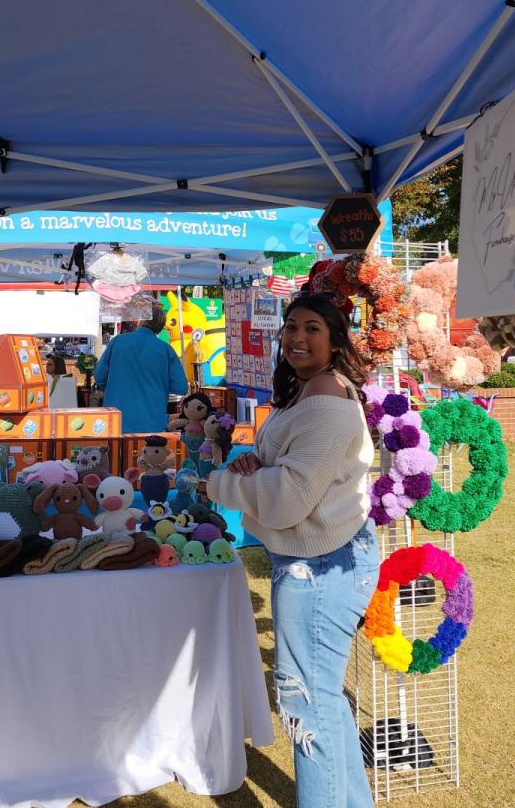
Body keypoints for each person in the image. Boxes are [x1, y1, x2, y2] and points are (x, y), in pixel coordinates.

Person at [204, 292, 378, 808]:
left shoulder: (327, 397)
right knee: (321, 699)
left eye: (312, 329)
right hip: (317, 560)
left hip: (322, 566)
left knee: (304, 702)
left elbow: (288, 498)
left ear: (335, 340)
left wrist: (221, 485)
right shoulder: (309, 389)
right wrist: (256, 465)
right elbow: (286, 469)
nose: (297, 338)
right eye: (291, 328)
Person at [93, 299, 188, 433]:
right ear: (161, 327)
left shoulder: (118, 341)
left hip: (116, 421)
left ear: (142, 320)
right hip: (152, 423)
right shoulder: (166, 350)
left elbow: (99, 377)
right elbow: (181, 387)